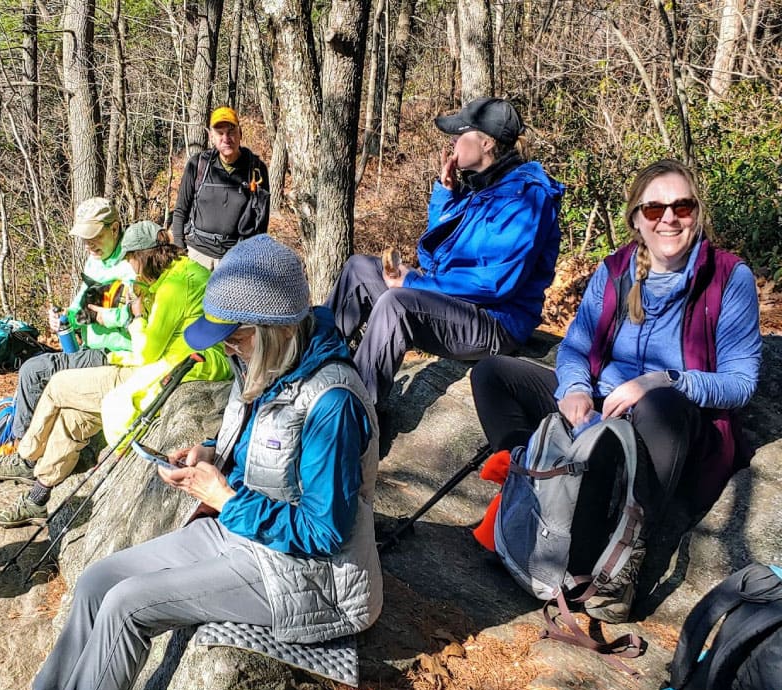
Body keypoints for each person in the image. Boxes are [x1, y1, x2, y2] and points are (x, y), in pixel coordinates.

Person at [0, 235, 383, 690]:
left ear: (273, 328)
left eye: (234, 337)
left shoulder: (332, 402)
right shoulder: (270, 361)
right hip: (244, 534)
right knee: (97, 582)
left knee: (127, 606)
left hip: (307, 576)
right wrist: (210, 452)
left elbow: (323, 531)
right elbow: (258, 448)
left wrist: (225, 497)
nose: (226, 348)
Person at [470, 158, 761, 622]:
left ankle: (615, 565)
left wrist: (663, 380)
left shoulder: (729, 278)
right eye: (654, 209)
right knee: (492, 374)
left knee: (660, 408)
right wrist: (575, 388)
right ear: (636, 219)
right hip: (601, 405)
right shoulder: (615, 271)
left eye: (682, 206)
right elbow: (573, 348)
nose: (669, 218)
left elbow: (741, 383)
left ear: (697, 214)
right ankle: (529, 489)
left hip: (668, 419)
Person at [324, 96, 564, 418]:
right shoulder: (484, 188)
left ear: (487, 143)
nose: (452, 141)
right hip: (461, 307)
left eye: (460, 134)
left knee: (397, 305)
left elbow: (493, 283)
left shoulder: (527, 198)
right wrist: (446, 194)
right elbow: (439, 258)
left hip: (495, 321)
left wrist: (414, 283)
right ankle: (319, 367)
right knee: (359, 269)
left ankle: (352, 416)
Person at [0, 223, 231, 527]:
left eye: (131, 260)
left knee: (58, 385)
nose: (130, 267)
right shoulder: (173, 276)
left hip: (166, 370)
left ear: (144, 255)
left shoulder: (176, 285)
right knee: (74, 418)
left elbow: (149, 349)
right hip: (154, 364)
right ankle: (37, 498)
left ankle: (26, 458)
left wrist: (137, 315)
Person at [9, 197, 139, 442]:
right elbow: (80, 305)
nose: (89, 245)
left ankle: (22, 449)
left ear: (115, 228)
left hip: (115, 354)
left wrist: (102, 316)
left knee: (33, 371)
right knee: (33, 364)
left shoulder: (131, 264)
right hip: (91, 348)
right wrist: (65, 317)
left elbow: (136, 313)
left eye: (95, 236)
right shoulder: (96, 260)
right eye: (85, 239)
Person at [171, 106, 270, 269]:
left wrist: (252, 259)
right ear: (211, 137)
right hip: (195, 254)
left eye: (231, 131)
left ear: (240, 133)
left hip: (235, 258)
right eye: (220, 133)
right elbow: (180, 211)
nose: (226, 138)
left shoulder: (256, 170)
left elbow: (261, 222)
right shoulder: (198, 165)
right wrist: (179, 251)